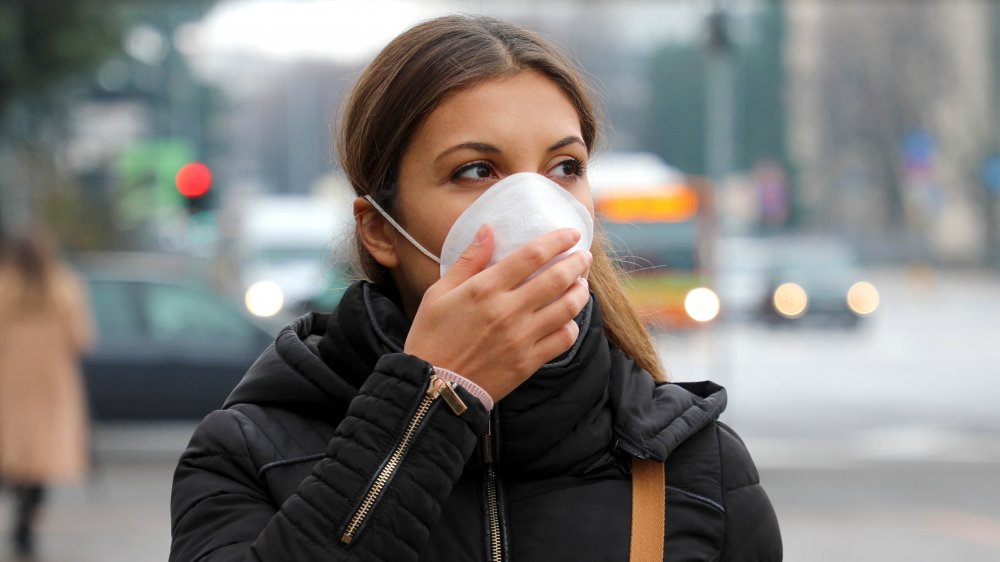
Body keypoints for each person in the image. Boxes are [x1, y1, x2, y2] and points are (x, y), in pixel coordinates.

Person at [170, 14, 781, 561]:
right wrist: (430, 402)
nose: (539, 211)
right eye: (476, 171)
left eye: (565, 168)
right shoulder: (251, 453)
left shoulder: (697, 467)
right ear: (381, 230)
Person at [0, 230, 94, 559]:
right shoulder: (65, 290)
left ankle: (19, 506)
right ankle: (28, 518)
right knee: (42, 456)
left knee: (15, 452)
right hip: (52, 384)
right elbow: (82, 339)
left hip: (10, 382)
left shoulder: (4, 290)